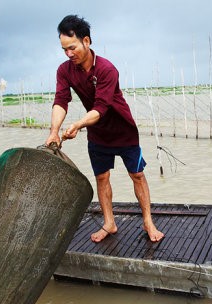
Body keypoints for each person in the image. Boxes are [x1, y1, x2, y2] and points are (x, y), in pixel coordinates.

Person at [45, 14, 164, 243]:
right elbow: (61, 100)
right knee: (102, 178)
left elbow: (100, 108)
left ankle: (148, 221)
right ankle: (109, 223)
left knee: (137, 175)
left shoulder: (107, 69)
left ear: (86, 41)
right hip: (98, 134)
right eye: (64, 50)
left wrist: (78, 124)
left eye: (72, 47)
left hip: (123, 130)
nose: (69, 54)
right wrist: (54, 130)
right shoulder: (64, 70)